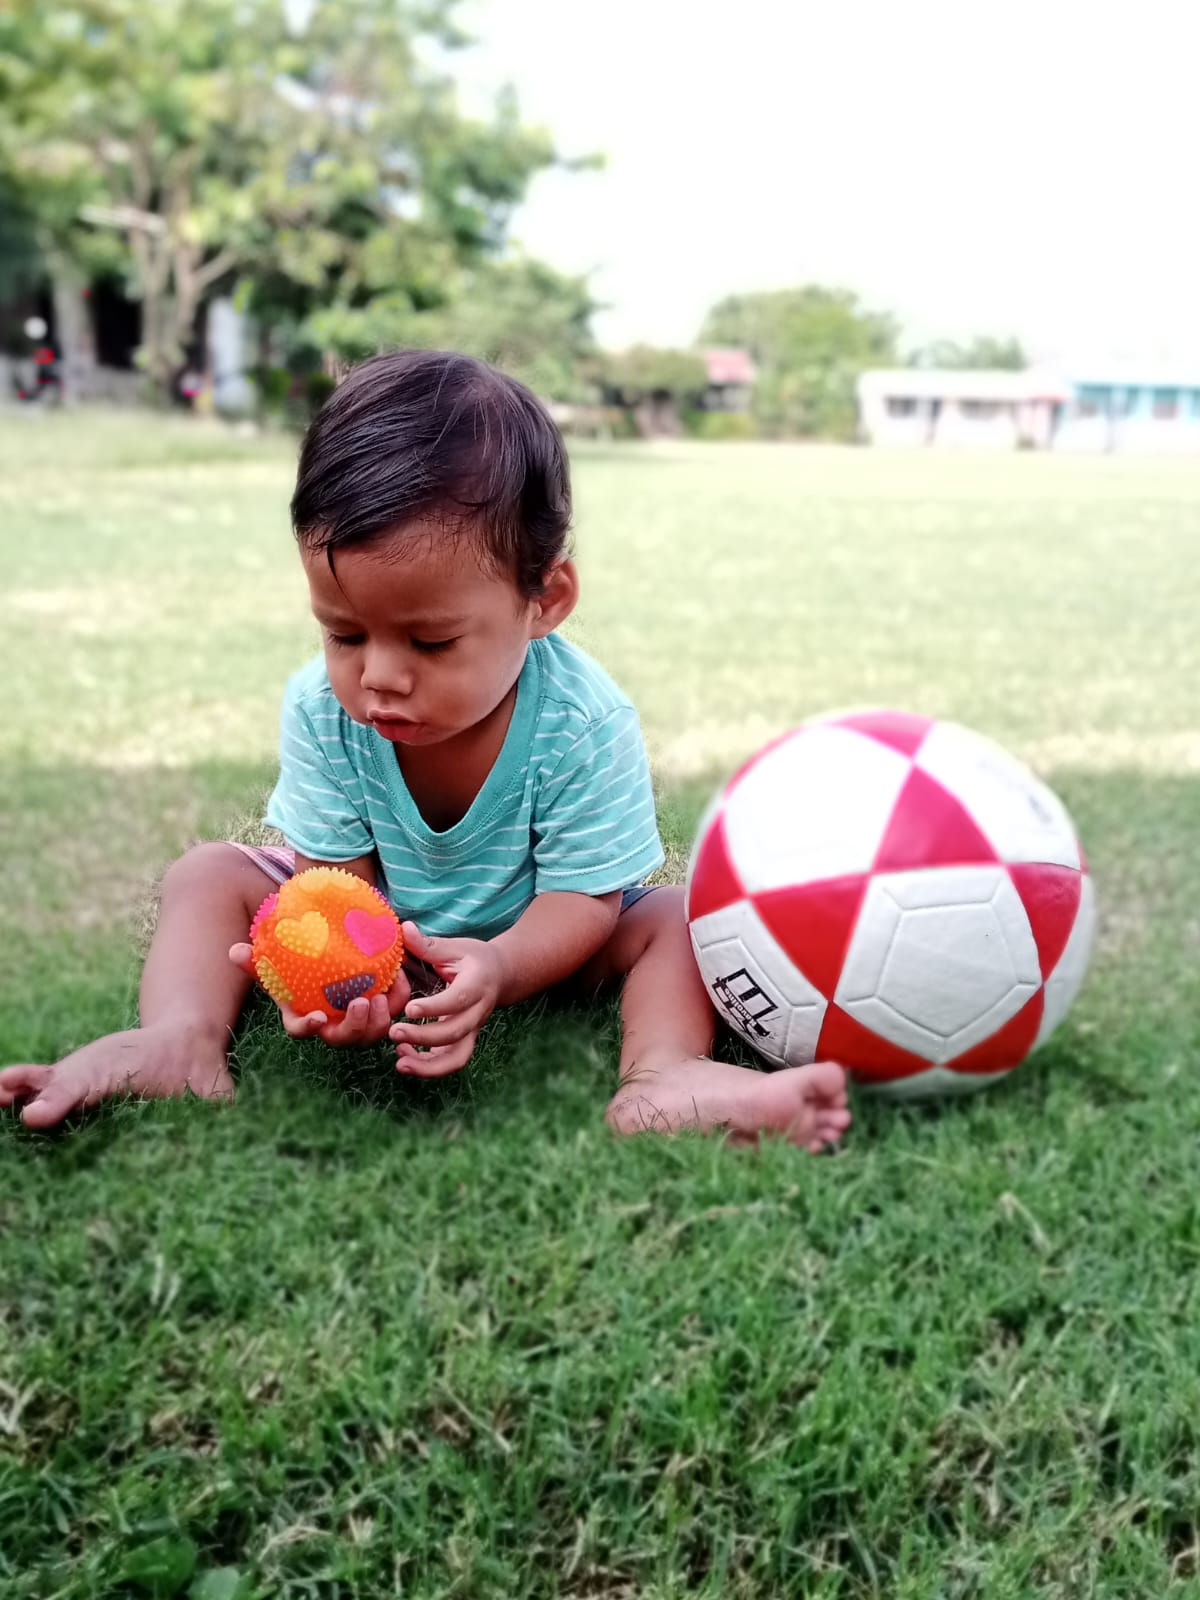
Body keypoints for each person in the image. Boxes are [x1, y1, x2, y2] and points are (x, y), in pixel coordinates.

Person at [0, 352, 850, 1149]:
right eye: (344, 633)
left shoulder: (583, 722)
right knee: (208, 874)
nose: (378, 677)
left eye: (431, 642)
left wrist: (500, 967)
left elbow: (585, 901)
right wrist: (357, 980)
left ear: (545, 598)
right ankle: (179, 1037)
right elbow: (335, 886)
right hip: (382, 920)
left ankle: (663, 1072)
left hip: (540, 937)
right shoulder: (322, 707)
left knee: (676, 918)